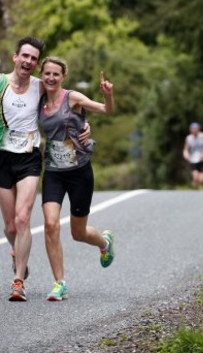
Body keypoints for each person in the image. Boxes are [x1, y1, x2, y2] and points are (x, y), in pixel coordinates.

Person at [0, 37, 90, 302]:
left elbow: (68, 102)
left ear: (36, 64)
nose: (28, 61)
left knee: (23, 218)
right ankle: (18, 253)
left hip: (28, 158)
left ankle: (18, 282)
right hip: (1, 159)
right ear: (15, 57)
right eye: (24, 56)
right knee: (10, 227)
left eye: (33, 58)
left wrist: (84, 125)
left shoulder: (40, 86)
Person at [37, 56, 116, 301]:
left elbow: (107, 111)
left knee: (77, 233)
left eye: (55, 74)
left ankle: (104, 243)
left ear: (63, 77)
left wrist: (108, 95)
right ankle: (59, 283)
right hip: (53, 171)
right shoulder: (37, 98)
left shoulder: (73, 98)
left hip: (79, 171)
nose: (50, 78)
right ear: (42, 75)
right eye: (47, 73)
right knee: (50, 224)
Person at [182, 122, 203, 188]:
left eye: (196, 129)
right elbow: (185, 149)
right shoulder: (188, 138)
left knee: (201, 179)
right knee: (195, 177)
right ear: (190, 130)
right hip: (193, 159)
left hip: (202, 159)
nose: (194, 130)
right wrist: (186, 154)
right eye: (193, 129)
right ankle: (195, 193)